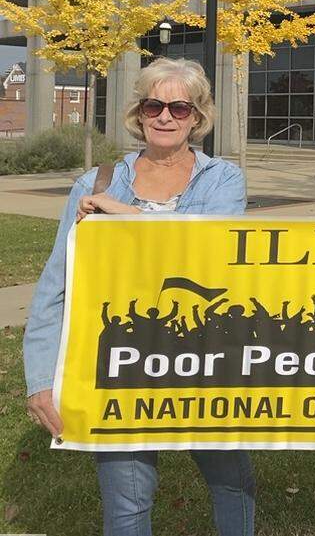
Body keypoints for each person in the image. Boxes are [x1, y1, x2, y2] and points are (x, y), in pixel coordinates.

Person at [23, 58, 254, 536]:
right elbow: (56, 286)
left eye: (179, 108)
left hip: (206, 360)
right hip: (120, 363)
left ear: (198, 116)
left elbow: (203, 253)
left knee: (232, 484)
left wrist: (122, 214)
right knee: (128, 502)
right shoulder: (95, 184)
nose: (165, 117)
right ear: (139, 112)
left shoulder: (222, 180)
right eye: (154, 105)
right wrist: (40, 378)